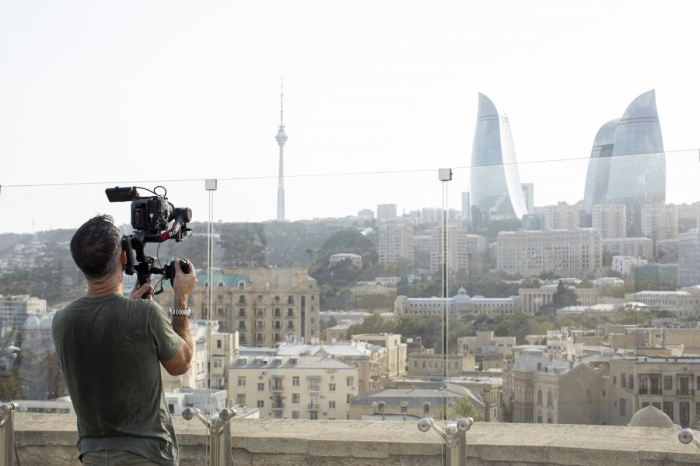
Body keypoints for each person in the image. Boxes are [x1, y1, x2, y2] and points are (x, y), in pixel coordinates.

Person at [52, 215, 197, 466]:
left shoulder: (62, 320)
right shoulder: (145, 314)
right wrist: (181, 299)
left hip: (92, 455)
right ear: (123, 257)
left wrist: (131, 308)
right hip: (147, 454)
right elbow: (181, 364)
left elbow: (105, 351)